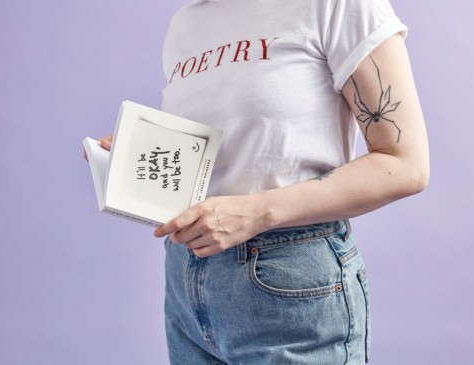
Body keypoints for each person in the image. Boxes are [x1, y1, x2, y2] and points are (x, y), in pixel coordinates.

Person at [92, 0, 429, 363]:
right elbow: (233, 156)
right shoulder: (185, 24)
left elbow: (406, 164)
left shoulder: (336, 5)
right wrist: (138, 156)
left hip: (290, 280)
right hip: (185, 283)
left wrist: (256, 212)